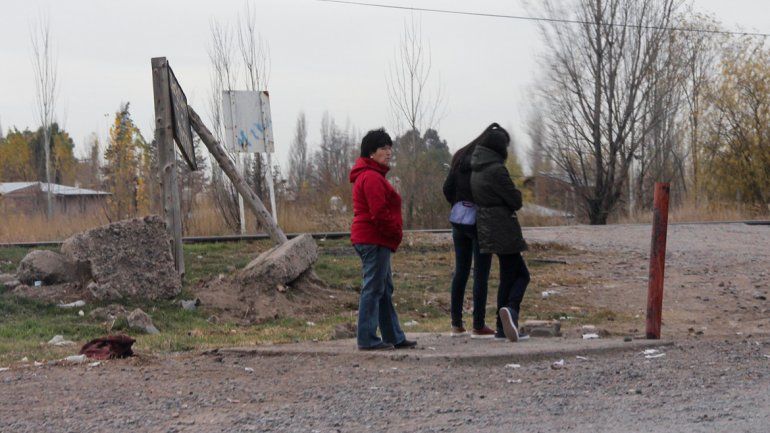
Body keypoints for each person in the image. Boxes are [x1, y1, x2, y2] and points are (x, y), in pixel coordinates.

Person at [349, 128, 417, 351]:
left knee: (383, 289)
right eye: (383, 149)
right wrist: (395, 233)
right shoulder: (371, 177)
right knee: (374, 288)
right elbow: (379, 213)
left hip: (374, 239)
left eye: (390, 148)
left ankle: (394, 336)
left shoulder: (371, 175)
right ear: (371, 153)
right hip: (374, 239)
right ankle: (367, 338)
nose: (388, 153)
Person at [470, 123, 530, 342]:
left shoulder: (476, 167)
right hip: (503, 225)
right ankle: (510, 313)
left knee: (508, 275)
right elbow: (515, 200)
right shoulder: (497, 169)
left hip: (486, 225)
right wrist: (516, 192)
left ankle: (501, 327)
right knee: (522, 275)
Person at [442, 130, 494, 338]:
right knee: (481, 272)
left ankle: (456, 324)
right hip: (479, 223)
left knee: (461, 271)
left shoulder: (459, 158)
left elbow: (447, 188)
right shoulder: (485, 164)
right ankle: (478, 325)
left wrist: (458, 205)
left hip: (459, 221)